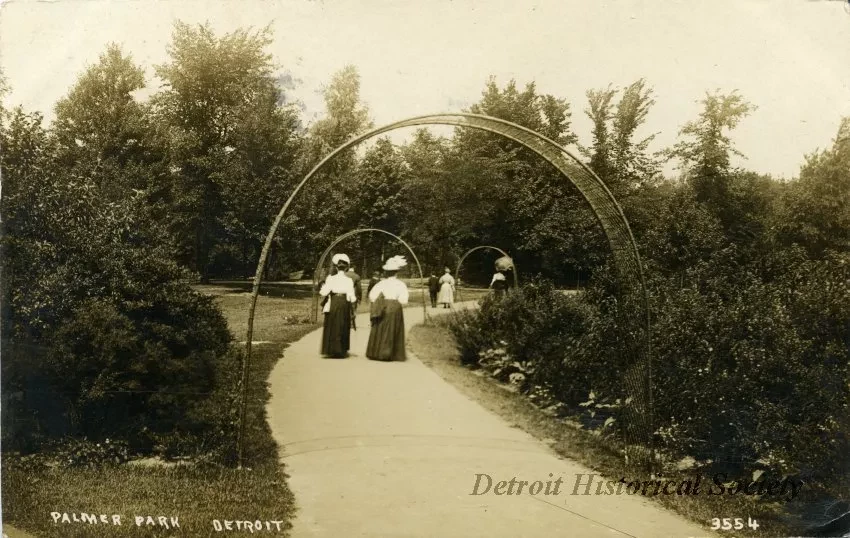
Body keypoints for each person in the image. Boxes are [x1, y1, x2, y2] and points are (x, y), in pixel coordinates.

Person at [366, 255, 409, 361]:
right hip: (395, 306)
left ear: (386, 272)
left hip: (383, 306)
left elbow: (372, 296)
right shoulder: (401, 284)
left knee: (380, 327)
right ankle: (392, 353)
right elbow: (404, 300)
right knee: (393, 329)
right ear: (396, 272)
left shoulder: (381, 283)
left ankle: (377, 351)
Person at [319, 254, 357, 358]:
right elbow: (352, 297)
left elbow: (323, 293)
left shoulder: (331, 278)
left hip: (334, 302)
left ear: (336, 267)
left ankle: (331, 349)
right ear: (346, 268)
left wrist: (323, 286)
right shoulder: (349, 280)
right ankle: (341, 350)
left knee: (332, 324)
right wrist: (351, 304)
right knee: (342, 325)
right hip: (344, 303)